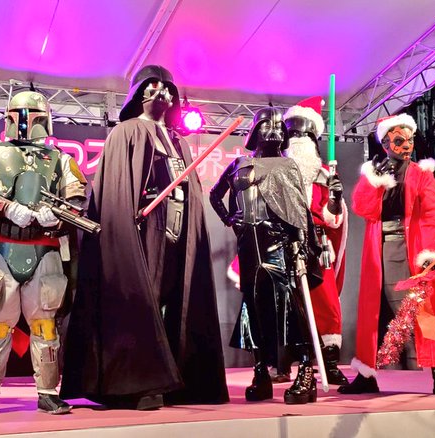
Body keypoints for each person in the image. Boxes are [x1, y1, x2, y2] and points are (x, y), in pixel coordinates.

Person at [60, 65, 229, 410]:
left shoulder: (178, 141)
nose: (161, 92)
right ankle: (138, 382)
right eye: (152, 86)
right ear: (138, 94)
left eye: (167, 88)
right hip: (145, 227)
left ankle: (177, 378)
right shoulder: (126, 132)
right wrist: (127, 222)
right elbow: (118, 190)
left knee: (177, 299)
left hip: (179, 227)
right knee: (141, 300)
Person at [0, 90, 87, 417]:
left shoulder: (61, 159)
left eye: (33, 115)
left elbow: (77, 200)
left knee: (45, 326)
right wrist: (6, 207)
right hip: (3, 247)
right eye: (19, 114)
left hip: (45, 248)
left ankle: (47, 392)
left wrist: (56, 215)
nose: (26, 122)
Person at [338, 113, 435, 397]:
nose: (406, 146)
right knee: (374, 314)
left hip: (413, 250)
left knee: (424, 312)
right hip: (379, 251)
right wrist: (374, 181)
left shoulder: (421, 174)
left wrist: (431, 251)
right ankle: (366, 375)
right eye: (399, 140)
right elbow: (363, 208)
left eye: (410, 140)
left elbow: (434, 214)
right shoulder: (375, 173)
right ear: (385, 143)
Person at [209, 106, 322, 405]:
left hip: (278, 243)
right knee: (253, 306)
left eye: (277, 127)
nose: (273, 131)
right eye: (266, 126)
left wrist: (301, 244)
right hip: (248, 243)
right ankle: (260, 371)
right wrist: (229, 219)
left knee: (290, 306)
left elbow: (297, 209)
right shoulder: (239, 164)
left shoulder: (288, 166)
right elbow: (215, 194)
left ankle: (305, 371)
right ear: (254, 131)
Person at [282, 97, 349, 385]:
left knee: (326, 303)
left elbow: (333, 219)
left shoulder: (324, 175)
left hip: (318, 246)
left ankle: (329, 363)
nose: (298, 139)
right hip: (284, 244)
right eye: (293, 133)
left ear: (314, 138)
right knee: (286, 304)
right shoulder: (276, 170)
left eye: (304, 134)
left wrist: (335, 198)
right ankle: (285, 362)